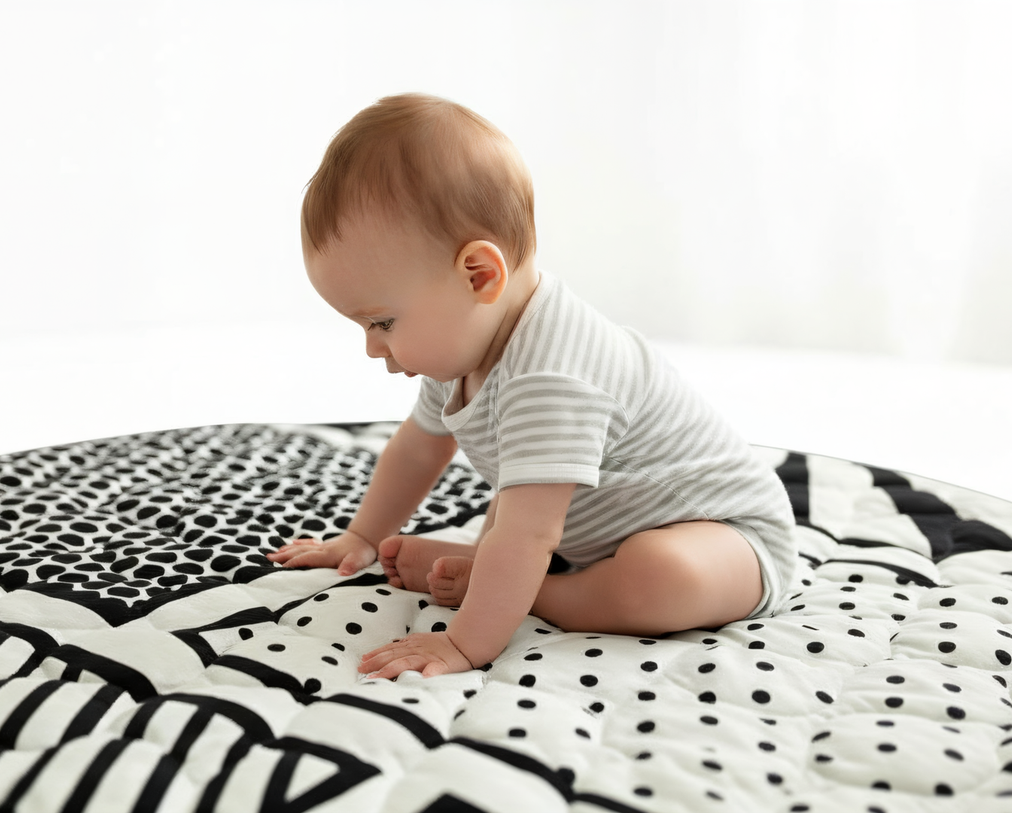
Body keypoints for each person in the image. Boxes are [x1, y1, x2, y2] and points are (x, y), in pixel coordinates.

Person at [267, 92, 795, 680]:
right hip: (591, 538)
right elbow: (418, 447)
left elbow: (528, 532)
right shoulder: (465, 352)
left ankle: (536, 592)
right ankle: (509, 573)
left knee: (658, 574)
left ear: (479, 275)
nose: (372, 347)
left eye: (382, 322)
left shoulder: (552, 374)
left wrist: (463, 645)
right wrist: (362, 536)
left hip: (731, 545)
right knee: (520, 530)